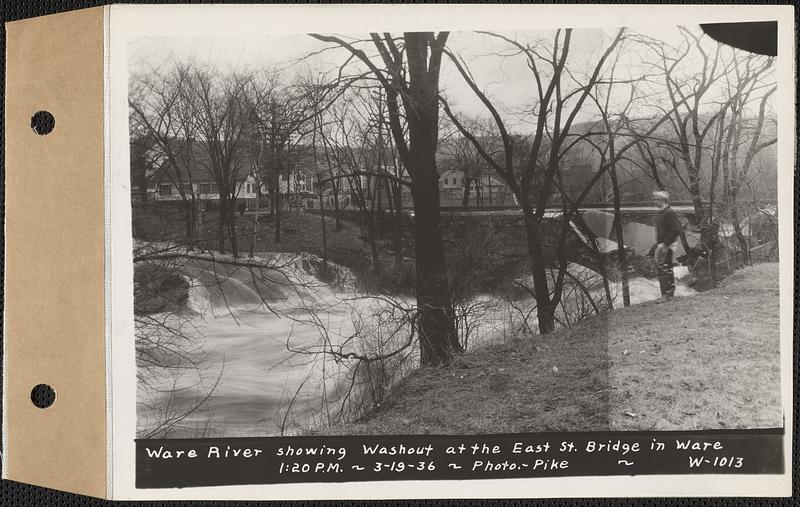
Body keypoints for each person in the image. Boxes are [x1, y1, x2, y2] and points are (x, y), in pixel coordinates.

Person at [649, 190, 683, 303]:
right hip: (663, 245)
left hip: (666, 246)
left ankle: (667, 295)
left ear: (663, 200)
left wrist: (665, 244)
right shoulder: (662, 213)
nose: (655, 202)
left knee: (664, 269)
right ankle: (668, 294)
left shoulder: (669, 213)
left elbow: (677, 230)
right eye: (654, 199)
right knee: (665, 268)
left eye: (657, 200)